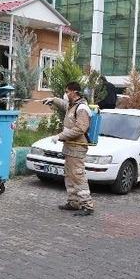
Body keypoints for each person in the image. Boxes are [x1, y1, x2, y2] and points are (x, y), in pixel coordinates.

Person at [44, 81, 95, 216]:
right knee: (69, 176)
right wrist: (53, 100)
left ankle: (87, 205)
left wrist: (59, 136)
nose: (65, 94)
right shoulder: (72, 105)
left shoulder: (82, 108)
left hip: (77, 147)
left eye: (67, 92)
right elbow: (63, 104)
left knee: (77, 176)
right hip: (70, 146)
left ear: (74, 92)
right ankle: (73, 202)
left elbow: (80, 129)